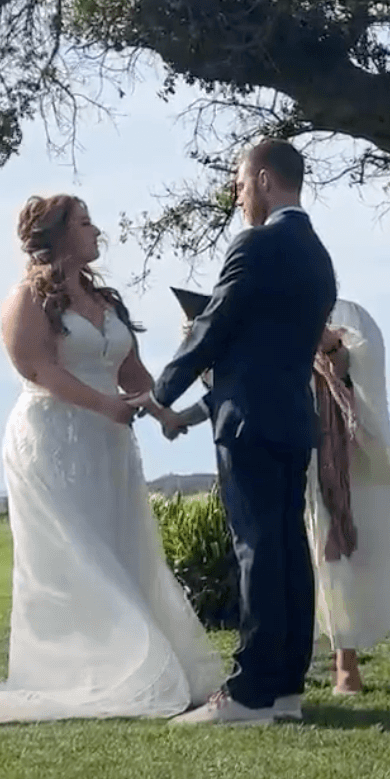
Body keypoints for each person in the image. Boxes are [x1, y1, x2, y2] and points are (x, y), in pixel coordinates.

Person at [0, 197, 222, 724]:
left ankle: (135, 662)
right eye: (84, 223)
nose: (96, 230)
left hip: (109, 442)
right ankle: (101, 668)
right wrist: (105, 405)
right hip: (52, 437)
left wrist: (162, 413)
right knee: (75, 551)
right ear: (57, 235)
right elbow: (38, 368)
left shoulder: (105, 300)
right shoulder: (27, 300)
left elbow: (134, 374)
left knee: (120, 545)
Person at [135, 139, 338, 726]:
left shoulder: (255, 243)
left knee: (256, 551)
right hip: (293, 419)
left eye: (241, 181)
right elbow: (264, 340)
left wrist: (158, 393)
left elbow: (216, 324)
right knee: (288, 551)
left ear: (267, 179)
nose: (237, 192)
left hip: (248, 422)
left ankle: (249, 691)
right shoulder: (318, 255)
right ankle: (285, 689)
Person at [306, 300, 390, 695]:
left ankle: (346, 662)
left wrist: (331, 354)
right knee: (317, 558)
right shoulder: (279, 321)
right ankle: (318, 657)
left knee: (344, 560)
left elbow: (361, 378)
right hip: (305, 454)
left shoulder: (350, 323)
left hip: (349, 458)